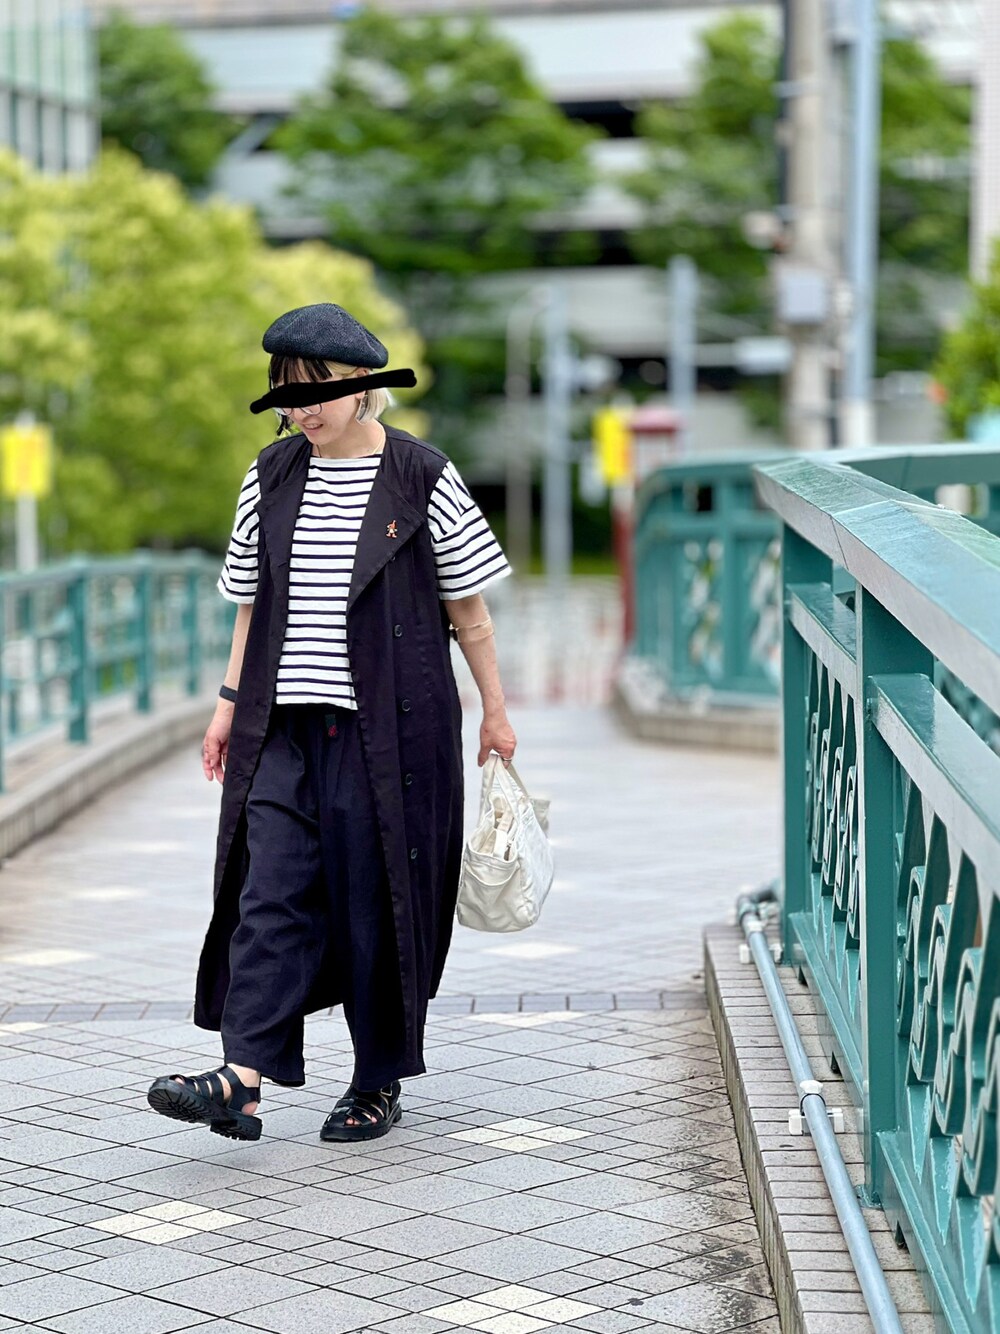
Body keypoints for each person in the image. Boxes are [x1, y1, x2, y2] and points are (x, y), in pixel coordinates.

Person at [147, 302, 516, 1144]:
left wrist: (495, 711)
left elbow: (469, 610)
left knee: (374, 902)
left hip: (391, 731)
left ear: (362, 388)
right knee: (267, 893)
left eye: (315, 393)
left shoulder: (422, 476)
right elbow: (249, 604)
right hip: (281, 727)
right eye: (287, 395)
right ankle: (241, 1080)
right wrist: (226, 705)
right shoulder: (271, 474)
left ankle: (376, 1081)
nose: (300, 411)